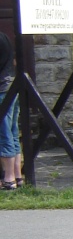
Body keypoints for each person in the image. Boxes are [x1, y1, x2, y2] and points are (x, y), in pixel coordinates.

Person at [0, 32, 23, 191]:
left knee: (4, 134)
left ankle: (8, 179)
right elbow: (14, 61)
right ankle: (17, 175)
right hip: (11, 87)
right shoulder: (4, 37)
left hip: (2, 89)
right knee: (12, 132)